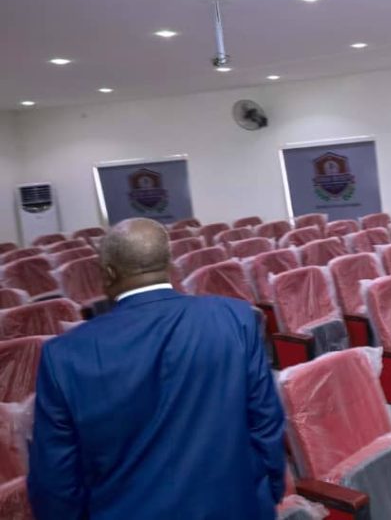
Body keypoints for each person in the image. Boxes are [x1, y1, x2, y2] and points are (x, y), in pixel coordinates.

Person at [28, 218, 285, 519]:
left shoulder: (64, 355)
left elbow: (56, 479)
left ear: (108, 273)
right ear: (169, 263)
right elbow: (266, 422)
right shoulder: (235, 317)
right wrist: (268, 494)